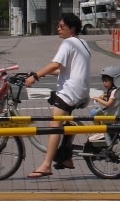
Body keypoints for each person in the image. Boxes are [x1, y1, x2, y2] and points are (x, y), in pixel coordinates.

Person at [24, 13, 91, 177]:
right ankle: (66, 158)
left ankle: (47, 165)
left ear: (72, 28)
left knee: (55, 126)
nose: (58, 29)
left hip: (70, 92)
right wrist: (43, 74)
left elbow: (56, 64)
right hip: (81, 91)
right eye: (58, 26)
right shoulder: (83, 43)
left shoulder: (68, 43)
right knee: (65, 122)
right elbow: (65, 70)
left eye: (62, 26)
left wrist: (35, 76)